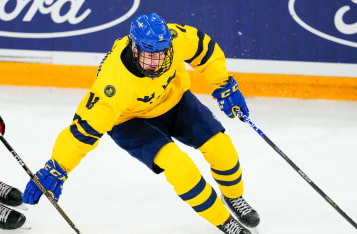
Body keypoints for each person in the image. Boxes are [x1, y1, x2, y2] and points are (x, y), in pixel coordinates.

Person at [22, 13, 259, 234]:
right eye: (149, 54)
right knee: (180, 168)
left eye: (162, 53)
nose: (157, 62)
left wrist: (223, 82)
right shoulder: (112, 85)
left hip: (174, 102)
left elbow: (203, 47)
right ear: (134, 49)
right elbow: (83, 130)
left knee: (222, 148)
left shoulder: (173, 39)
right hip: (130, 122)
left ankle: (234, 197)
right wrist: (58, 167)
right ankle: (225, 222)